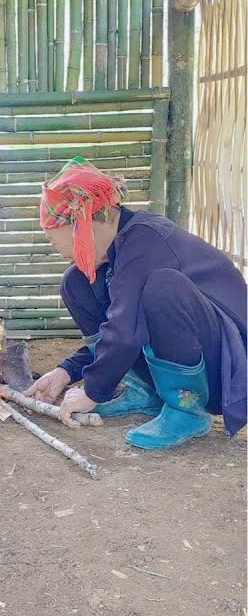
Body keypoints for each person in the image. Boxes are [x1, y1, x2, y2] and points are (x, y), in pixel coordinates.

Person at [26, 157, 247, 450]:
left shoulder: (146, 240)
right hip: (198, 350)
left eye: (52, 237)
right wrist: (66, 370)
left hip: (227, 369)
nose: (54, 246)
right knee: (75, 282)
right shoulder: (121, 250)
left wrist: (92, 391)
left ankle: (188, 409)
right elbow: (119, 328)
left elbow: (125, 330)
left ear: (83, 223)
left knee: (162, 287)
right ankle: (145, 391)